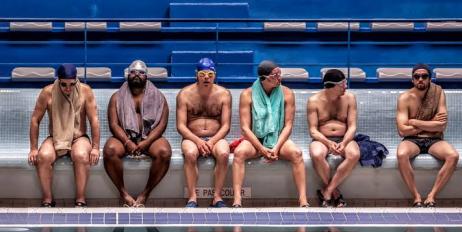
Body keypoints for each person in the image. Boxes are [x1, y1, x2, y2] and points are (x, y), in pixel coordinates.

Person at [232, 60, 309, 207]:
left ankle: (303, 199)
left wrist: (275, 148)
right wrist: (262, 149)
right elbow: (245, 129)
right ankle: (237, 199)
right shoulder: (247, 94)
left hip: (278, 138)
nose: (280, 78)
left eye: (280, 74)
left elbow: (288, 126)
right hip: (255, 139)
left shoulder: (287, 93)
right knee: (239, 153)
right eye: (276, 75)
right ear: (265, 78)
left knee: (297, 154)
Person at [28, 64, 100, 207]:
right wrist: (33, 148)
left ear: (76, 80)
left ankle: (80, 199)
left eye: (72, 84)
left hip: (78, 137)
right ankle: (48, 200)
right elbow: (35, 119)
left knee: (80, 155)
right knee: (43, 157)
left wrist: (96, 147)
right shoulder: (47, 92)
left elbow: (94, 120)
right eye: (64, 85)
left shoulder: (86, 91)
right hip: (56, 137)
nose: (68, 88)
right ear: (58, 80)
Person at [103, 60, 171, 207]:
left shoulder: (159, 97)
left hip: (149, 139)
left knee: (164, 152)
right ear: (128, 74)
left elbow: (161, 125)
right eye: (133, 72)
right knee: (110, 150)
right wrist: (127, 142)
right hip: (124, 139)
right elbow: (114, 124)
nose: (137, 75)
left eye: (141, 73)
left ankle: (145, 194)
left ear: (147, 76)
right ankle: (124, 193)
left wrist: (146, 142)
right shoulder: (116, 97)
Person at [396, 64, 459, 207]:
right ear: (412, 80)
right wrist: (430, 124)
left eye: (424, 76)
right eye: (416, 76)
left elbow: (441, 125)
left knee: (453, 156)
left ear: (429, 79)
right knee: (401, 154)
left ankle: (431, 196)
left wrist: (414, 122)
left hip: (434, 139)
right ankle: (416, 197)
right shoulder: (404, 98)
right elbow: (402, 131)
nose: (420, 79)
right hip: (412, 140)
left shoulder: (438, 92)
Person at [176, 58, 232, 208]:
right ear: (196, 74)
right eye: (202, 74)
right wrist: (198, 141)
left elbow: (226, 126)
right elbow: (181, 126)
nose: (206, 77)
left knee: (224, 153)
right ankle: (192, 198)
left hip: (216, 138)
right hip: (192, 138)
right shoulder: (184, 94)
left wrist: (212, 141)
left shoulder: (224, 94)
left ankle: (217, 197)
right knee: (190, 153)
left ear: (215, 74)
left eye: (209, 74)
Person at [308, 69, 360, 207]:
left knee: (354, 154)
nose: (346, 87)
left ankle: (328, 191)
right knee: (317, 154)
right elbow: (313, 131)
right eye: (343, 84)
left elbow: (352, 127)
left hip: (345, 138)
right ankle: (336, 193)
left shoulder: (350, 98)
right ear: (333, 86)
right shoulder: (314, 101)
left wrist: (344, 142)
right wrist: (327, 142)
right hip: (322, 139)